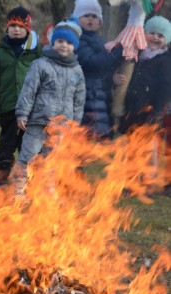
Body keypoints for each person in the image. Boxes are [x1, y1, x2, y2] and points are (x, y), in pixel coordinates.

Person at [13, 19, 86, 192]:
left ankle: (47, 188)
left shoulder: (77, 71)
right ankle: (18, 188)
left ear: (74, 47)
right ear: (53, 42)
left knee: (51, 157)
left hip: (61, 124)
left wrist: (75, 122)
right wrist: (22, 113)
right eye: (60, 41)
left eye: (69, 43)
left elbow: (79, 99)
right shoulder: (40, 65)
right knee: (29, 155)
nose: (64, 46)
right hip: (38, 120)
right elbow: (28, 90)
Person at [0, 6, 42, 186]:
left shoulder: (36, 52)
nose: (16, 29)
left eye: (21, 26)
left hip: (31, 108)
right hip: (8, 106)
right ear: (7, 28)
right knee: (6, 143)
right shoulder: (0, 53)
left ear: (28, 29)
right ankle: (3, 174)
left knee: (29, 144)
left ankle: (29, 177)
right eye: (12, 26)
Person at [114, 16, 171, 195]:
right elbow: (125, 77)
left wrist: (158, 110)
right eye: (151, 33)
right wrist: (116, 79)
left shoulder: (165, 61)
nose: (155, 38)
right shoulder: (136, 55)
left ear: (166, 40)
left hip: (151, 113)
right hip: (133, 110)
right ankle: (131, 181)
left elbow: (165, 87)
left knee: (147, 149)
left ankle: (147, 182)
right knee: (131, 148)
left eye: (160, 35)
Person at [73, 0, 122, 139]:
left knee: (99, 127)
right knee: (88, 128)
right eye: (86, 15)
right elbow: (92, 62)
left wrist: (113, 75)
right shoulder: (78, 39)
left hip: (98, 89)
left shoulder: (98, 40)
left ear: (100, 22)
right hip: (85, 89)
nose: (90, 19)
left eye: (94, 16)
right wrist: (114, 53)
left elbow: (105, 66)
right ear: (77, 18)